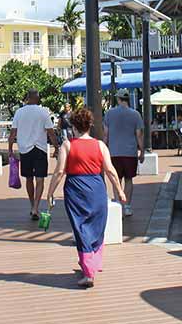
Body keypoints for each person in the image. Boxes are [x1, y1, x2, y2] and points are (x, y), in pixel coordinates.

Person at [46, 107, 126, 288]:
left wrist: (50, 192)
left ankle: (88, 272)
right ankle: (93, 263)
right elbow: (110, 171)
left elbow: (59, 172)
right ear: (90, 126)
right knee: (97, 226)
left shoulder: (68, 145)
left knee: (80, 227)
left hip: (75, 189)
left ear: (74, 126)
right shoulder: (100, 145)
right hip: (97, 188)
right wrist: (119, 191)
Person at [8, 89, 57, 220]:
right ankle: (36, 206)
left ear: (27, 98)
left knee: (29, 178)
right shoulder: (43, 112)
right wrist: (56, 147)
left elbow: (13, 133)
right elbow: (51, 132)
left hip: (25, 149)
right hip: (40, 149)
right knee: (40, 179)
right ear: (38, 98)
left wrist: (10, 149)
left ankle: (32, 206)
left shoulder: (19, 112)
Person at [103, 90, 144, 217]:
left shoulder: (109, 114)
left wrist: (103, 149)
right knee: (129, 179)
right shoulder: (136, 114)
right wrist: (142, 151)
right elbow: (139, 135)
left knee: (116, 179)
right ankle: (127, 206)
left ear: (118, 99)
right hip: (130, 152)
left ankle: (118, 204)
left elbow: (106, 134)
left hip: (114, 152)